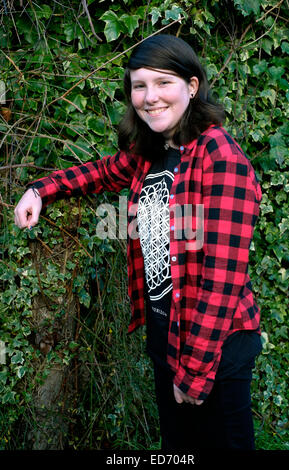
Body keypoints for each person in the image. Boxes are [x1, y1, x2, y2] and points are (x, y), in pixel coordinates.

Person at [14, 34, 263, 450]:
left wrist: (196, 372)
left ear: (192, 86)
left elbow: (222, 282)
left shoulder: (221, 160)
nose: (149, 97)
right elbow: (101, 172)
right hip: (166, 336)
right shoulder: (152, 151)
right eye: (139, 85)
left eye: (164, 82)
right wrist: (40, 190)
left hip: (215, 347)